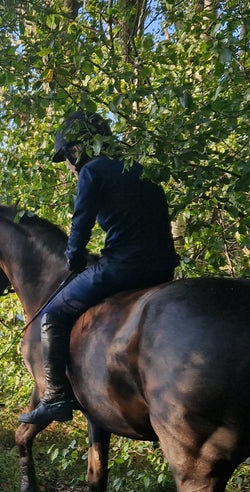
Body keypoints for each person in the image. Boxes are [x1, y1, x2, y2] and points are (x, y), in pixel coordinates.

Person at [18, 110, 181, 425]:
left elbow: (81, 222)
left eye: (66, 157)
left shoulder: (93, 171)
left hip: (124, 267)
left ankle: (55, 398)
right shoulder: (136, 166)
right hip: (162, 268)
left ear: (77, 149)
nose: (68, 165)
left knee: (52, 315)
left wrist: (74, 256)